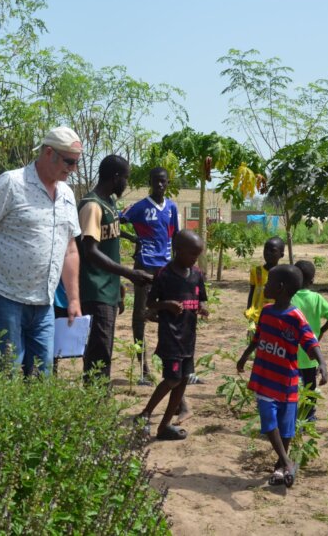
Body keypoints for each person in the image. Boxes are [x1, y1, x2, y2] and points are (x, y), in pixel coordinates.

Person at [0, 126, 83, 376]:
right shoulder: (12, 183)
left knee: (42, 375)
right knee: (7, 374)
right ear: (49, 153)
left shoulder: (67, 194)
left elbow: (70, 250)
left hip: (44, 303)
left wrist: (74, 299)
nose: (73, 169)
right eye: (69, 161)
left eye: (77, 162)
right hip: (5, 297)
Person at [236, 264, 327, 488]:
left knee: (286, 428)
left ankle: (280, 467)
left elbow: (310, 341)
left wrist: (322, 363)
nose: (265, 286)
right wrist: (245, 356)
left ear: (281, 287)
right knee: (269, 422)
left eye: (269, 283)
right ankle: (287, 462)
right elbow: (258, 338)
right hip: (265, 377)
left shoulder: (296, 317)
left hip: (287, 380)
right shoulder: (266, 312)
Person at [78, 155, 153, 382]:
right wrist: (129, 273)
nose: (126, 183)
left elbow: (109, 249)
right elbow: (90, 251)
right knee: (98, 349)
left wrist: (118, 284)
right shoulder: (92, 205)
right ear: (116, 177)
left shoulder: (109, 203)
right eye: (126, 178)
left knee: (105, 346)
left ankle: (100, 393)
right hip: (94, 289)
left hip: (108, 288)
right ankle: (96, 395)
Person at [136, 230, 208, 441]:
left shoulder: (196, 274)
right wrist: (166, 305)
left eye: (197, 255)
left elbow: (201, 299)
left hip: (188, 337)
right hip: (170, 337)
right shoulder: (164, 274)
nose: (194, 259)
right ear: (178, 250)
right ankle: (145, 413)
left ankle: (164, 426)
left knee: (183, 379)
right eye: (192, 254)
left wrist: (202, 308)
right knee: (172, 379)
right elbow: (151, 303)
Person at [121, 166, 179, 385]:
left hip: (165, 269)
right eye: (156, 181)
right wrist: (133, 238)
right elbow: (117, 221)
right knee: (140, 314)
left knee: (169, 313)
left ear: (168, 183)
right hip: (144, 267)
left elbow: (175, 237)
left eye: (163, 181)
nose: (160, 185)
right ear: (150, 183)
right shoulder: (140, 207)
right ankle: (143, 369)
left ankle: (171, 365)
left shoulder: (171, 208)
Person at [293, 260, 328, 421]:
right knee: (310, 387)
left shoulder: (289, 297)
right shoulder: (317, 298)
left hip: (291, 352)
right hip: (311, 352)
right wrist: (321, 331)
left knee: (292, 387)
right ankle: (309, 417)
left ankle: (292, 416)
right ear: (312, 280)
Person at [245, 236, 285, 323]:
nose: (268, 253)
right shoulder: (256, 271)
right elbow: (252, 291)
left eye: (272, 251)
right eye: (266, 249)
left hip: (275, 316)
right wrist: (249, 309)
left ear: (281, 255)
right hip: (256, 315)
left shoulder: (282, 273)